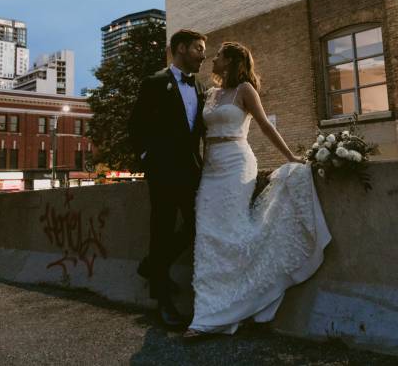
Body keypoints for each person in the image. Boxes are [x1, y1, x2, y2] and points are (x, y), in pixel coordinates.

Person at [184, 42, 332, 337]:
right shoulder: (210, 94)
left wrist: (290, 157)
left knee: (233, 230)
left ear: (231, 61)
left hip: (237, 164)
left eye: (218, 56)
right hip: (211, 169)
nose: (212, 59)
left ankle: (231, 306)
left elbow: (265, 125)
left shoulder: (245, 91)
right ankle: (208, 311)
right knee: (207, 235)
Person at [128, 29, 208, 327]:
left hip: (192, 171)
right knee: (161, 232)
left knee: (197, 225)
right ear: (182, 48)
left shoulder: (199, 87)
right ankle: (164, 303)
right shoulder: (154, 83)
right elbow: (135, 127)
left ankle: (152, 265)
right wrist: (149, 161)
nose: (203, 55)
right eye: (199, 48)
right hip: (163, 173)